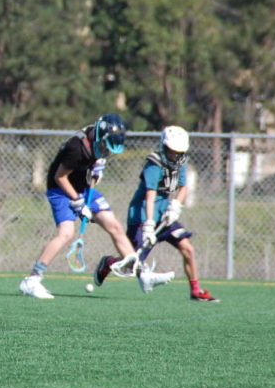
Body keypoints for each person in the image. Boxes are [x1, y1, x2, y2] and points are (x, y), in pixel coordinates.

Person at [19, 114, 173, 299]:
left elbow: (98, 152)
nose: (105, 152)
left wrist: (98, 164)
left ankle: (143, 275)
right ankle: (32, 280)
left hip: (83, 187)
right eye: (104, 148)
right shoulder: (76, 149)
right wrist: (77, 201)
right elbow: (59, 177)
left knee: (114, 226)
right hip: (61, 189)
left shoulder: (96, 134)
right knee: (66, 233)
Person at [99, 125, 219, 302]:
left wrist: (176, 205)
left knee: (188, 248)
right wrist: (148, 224)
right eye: (172, 152)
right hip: (142, 215)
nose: (175, 156)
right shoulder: (154, 164)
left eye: (179, 152)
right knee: (131, 264)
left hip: (164, 215)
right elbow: (150, 194)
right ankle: (108, 264)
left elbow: (183, 186)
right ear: (164, 147)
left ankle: (196, 291)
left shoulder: (181, 163)